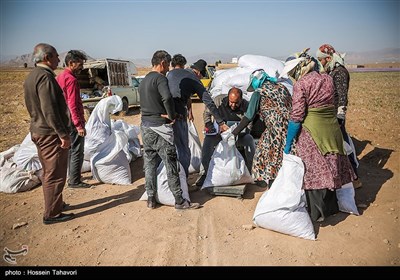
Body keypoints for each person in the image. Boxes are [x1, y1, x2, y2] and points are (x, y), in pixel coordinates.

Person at [281, 49, 356, 222]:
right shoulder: (327, 78)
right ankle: (331, 208)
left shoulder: (302, 84)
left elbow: (297, 116)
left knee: (313, 170)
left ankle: (317, 213)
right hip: (331, 129)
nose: (294, 77)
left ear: (299, 70)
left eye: (293, 73)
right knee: (331, 165)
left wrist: (289, 141)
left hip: (312, 131)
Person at [138, 50, 200, 210]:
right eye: (167, 65)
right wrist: (172, 115)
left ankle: (151, 198)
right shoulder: (160, 79)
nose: (168, 69)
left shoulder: (144, 80)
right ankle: (179, 200)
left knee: (150, 164)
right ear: (163, 63)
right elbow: (166, 97)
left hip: (145, 127)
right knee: (171, 163)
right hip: (159, 128)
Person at [23, 43, 74, 224]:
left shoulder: (32, 77)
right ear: (47, 58)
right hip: (50, 134)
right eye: (55, 56)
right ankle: (52, 214)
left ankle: (56, 205)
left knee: (49, 171)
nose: (58, 59)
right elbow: (49, 110)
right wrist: (62, 134)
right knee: (55, 174)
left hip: (39, 130)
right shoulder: (45, 78)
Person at [167, 56, 228, 177]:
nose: (200, 78)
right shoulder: (193, 78)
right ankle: (183, 181)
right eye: (201, 76)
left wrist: (189, 111)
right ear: (198, 72)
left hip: (163, 116)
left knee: (169, 149)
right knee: (183, 150)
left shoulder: (170, 74)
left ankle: (168, 181)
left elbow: (183, 94)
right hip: (178, 117)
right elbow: (208, 102)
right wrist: (221, 122)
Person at [231, 69, 292, 189]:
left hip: (274, 133)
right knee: (285, 161)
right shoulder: (282, 88)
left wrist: (234, 133)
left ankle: (273, 189)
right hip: (290, 130)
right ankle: (285, 189)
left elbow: (249, 116)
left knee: (266, 157)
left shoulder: (259, 93)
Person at [316, 44, 362, 189]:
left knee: (344, 146)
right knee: (340, 146)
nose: (320, 63)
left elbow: (342, 95)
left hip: (336, 115)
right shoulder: (333, 71)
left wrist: (340, 115)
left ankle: (355, 178)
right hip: (331, 115)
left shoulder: (340, 72)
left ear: (328, 58)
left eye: (321, 60)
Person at [195, 87, 256, 187]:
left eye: (236, 103)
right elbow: (206, 114)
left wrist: (238, 133)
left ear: (241, 99)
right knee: (207, 142)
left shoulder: (246, 106)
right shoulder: (218, 101)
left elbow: (249, 124)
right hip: (219, 135)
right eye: (231, 102)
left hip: (238, 135)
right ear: (228, 97)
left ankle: (250, 172)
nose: (233, 105)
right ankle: (204, 173)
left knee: (249, 140)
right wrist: (210, 126)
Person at [56, 50, 91, 189]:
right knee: (77, 150)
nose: (81, 67)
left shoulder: (60, 77)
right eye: (80, 64)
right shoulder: (71, 79)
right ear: (71, 63)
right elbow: (72, 103)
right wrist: (79, 125)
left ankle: (72, 176)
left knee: (70, 150)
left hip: (64, 119)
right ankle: (74, 180)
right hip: (72, 120)